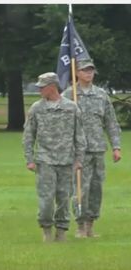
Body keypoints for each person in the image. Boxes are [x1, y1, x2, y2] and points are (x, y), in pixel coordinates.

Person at [23, 72, 86, 242]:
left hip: (67, 161)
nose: (39, 91)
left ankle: (61, 231)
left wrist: (79, 159)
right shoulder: (37, 108)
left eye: (42, 87)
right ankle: (46, 230)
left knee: (64, 199)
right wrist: (29, 159)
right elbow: (28, 135)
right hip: (45, 161)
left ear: (52, 87)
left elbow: (79, 135)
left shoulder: (71, 107)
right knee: (46, 200)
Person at [62, 59, 121, 238]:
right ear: (77, 73)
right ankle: (80, 225)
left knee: (96, 188)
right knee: (81, 188)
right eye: (85, 70)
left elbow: (111, 122)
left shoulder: (101, 95)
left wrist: (116, 146)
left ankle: (90, 225)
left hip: (98, 149)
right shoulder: (69, 95)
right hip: (78, 151)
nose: (89, 73)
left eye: (91, 70)